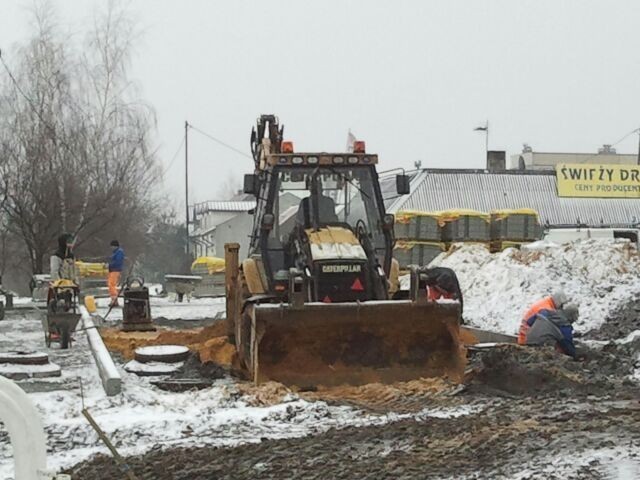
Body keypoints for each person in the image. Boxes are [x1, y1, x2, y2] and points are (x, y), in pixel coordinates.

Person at [107, 240, 125, 307]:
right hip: (113, 270)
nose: (111, 248)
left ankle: (114, 299)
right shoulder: (116, 252)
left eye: (111, 246)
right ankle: (114, 299)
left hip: (115, 270)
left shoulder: (119, 252)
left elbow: (117, 262)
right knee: (110, 284)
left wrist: (109, 265)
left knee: (111, 284)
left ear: (115, 246)